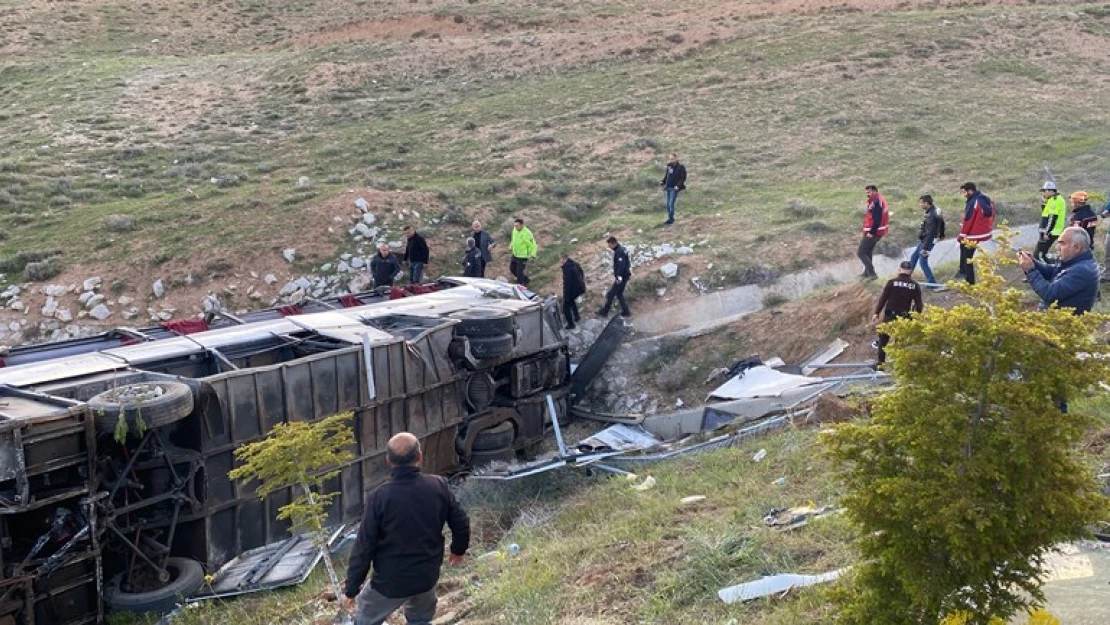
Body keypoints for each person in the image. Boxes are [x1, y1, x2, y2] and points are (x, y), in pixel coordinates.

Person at [343, 433, 470, 625]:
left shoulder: (379, 497)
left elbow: (364, 547)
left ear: (388, 461)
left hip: (389, 583)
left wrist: (351, 589)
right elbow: (461, 522)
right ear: (419, 457)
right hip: (426, 577)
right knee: (420, 620)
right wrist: (458, 550)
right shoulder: (438, 486)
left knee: (364, 619)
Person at [1016, 226, 1099, 315]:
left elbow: (1050, 294)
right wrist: (1034, 263)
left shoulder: (1082, 271)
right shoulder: (1075, 261)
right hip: (1054, 319)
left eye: (1062, 244)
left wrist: (1030, 270)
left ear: (1077, 248)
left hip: (1062, 324)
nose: (1057, 247)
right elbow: (1053, 272)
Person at [871, 261, 923, 367]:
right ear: (910, 271)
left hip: (890, 316)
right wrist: (915, 318)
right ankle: (899, 365)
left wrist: (876, 312)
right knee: (899, 342)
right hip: (904, 318)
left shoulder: (892, 282)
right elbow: (919, 305)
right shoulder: (914, 285)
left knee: (883, 340)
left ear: (899, 269)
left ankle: (881, 364)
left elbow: (883, 299)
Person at [954, 182, 995, 285]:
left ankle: (969, 282)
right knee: (964, 252)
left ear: (970, 191)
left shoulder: (973, 202)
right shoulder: (984, 198)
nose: (963, 194)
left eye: (964, 192)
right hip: (983, 232)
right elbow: (992, 213)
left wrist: (961, 235)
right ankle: (962, 272)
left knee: (968, 258)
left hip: (973, 234)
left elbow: (969, 220)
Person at [857, 184, 890, 280]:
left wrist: (871, 232)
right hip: (878, 231)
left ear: (875, 191)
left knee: (861, 252)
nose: (868, 194)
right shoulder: (878, 200)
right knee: (868, 251)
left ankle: (872, 273)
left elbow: (877, 219)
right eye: (867, 192)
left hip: (874, 231)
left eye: (869, 192)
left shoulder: (876, 202)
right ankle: (867, 273)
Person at [596, 236, 631, 318]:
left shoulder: (619, 252)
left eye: (610, 245)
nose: (609, 247)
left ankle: (605, 311)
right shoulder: (621, 249)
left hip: (622, 277)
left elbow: (621, 266)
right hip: (624, 276)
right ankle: (626, 311)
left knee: (610, 294)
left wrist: (618, 277)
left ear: (614, 243)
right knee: (619, 294)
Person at [908, 194, 939, 287]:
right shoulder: (931, 212)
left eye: (921, 203)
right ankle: (906, 276)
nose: (920, 205)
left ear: (926, 203)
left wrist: (925, 247)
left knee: (922, 262)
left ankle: (932, 282)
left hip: (927, 242)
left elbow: (930, 233)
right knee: (913, 258)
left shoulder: (932, 216)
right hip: (924, 241)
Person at [1034, 181, 1067, 262]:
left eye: (1044, 191)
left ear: (1050, 191)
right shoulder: (1052, 200)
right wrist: (1045, 202)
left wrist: (1047, 232)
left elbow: (1052, 218)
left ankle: (1047, 271)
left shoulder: (1055, 201)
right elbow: (1045, 213)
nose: (1043, 194)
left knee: (1039, 255)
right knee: (1039, 254)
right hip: (1049, 231)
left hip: (1051, 232)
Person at [559, 254, 586, 329]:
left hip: (572, 289)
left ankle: (571, 324)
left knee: (565, 306)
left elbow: (567, 283)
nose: (560, 261)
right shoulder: (575, 264)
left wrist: (566, 295)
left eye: (561, 259)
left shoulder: (567, 269)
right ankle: (577, 317)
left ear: (564, 259)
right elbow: (582, 273)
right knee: (572, 301)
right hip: (580, 288)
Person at [660, 153, 687, 225]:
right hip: (668, 187)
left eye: (672, 159)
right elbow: (667, 176)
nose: (671, 160)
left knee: (671, 204)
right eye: (670, 159)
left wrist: (678, 186)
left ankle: (671, 220)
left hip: (674, 188)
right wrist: (663, 181)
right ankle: (670, 218)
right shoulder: (669, 167)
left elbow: (683, 178)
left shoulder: (681, 167)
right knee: (668, 204)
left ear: (676, 158)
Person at [508, 218, 537, 285]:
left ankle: (521, 285)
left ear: (522, 225)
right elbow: (513, 239)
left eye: (517, 226)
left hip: (523, 256)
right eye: (514, 225)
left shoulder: (527, 233)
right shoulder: (514, 230)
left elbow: (533, 245)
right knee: (512, 269)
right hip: (515, 254)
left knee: (519, 272)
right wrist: (511, 246)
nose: (515, 227)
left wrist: (533, 254)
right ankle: (526, 279)